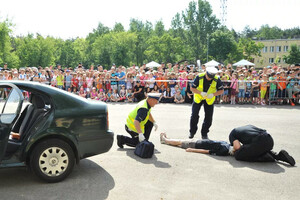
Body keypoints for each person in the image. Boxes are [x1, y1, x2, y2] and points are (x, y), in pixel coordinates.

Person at [229, 125, 295, 166]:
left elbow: (237, 147)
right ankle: (279, 156)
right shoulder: (247, 127)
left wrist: (234, 150)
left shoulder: (232, 134)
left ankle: (265, 157)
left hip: (260, 141)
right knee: (254, 149)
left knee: (238, 155)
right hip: (269, 140)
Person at [189, 67, 224, 139]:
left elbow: (221, 91)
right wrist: (200, 93)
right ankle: (192, 132)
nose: (209, 79)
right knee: (194, 115)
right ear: (206, 73)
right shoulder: (199, 77)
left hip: (209, 99)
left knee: (208, 117)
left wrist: (213, 94)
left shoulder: (217, 79)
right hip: (199, 97)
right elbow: (192, 88)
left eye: (211, 77)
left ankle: (204, 133)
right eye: (208, 77)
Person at [160, 133, 235, 156]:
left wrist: (192, 150)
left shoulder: (224, 150)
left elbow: (208, 151)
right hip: (201, 141)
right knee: (182, 141)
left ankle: (165, 140)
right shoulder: (228, 145)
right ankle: (168, 140)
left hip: (198, 145)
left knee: (180, 142)